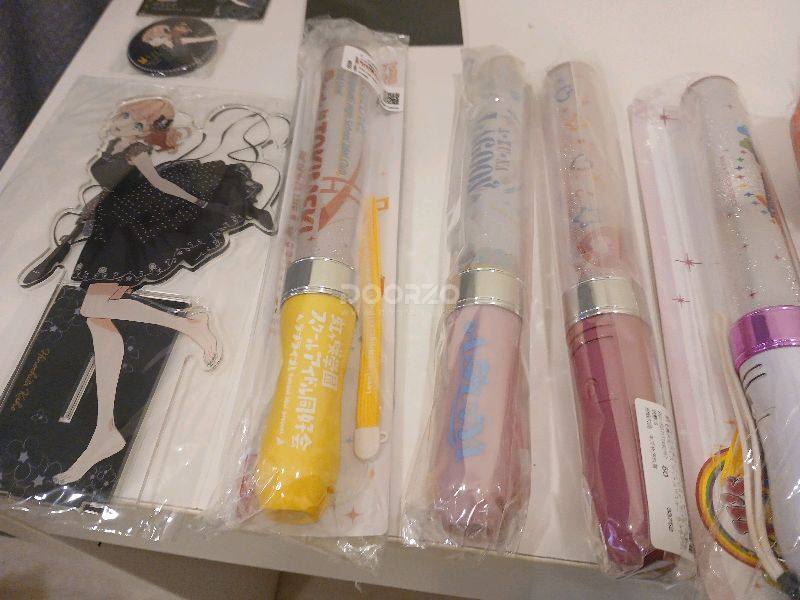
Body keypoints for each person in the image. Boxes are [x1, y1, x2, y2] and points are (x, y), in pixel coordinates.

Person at [54, 97, 266, 485]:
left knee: (93, 309)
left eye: (135, 121)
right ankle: (105, 431)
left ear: (144, 129)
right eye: (125, 115)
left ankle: (188, 325)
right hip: (110, 228)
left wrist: (199, 203)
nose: (125, 122)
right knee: (98, 320)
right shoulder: (109, 150)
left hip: (133, 229)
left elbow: (158, 183)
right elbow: (108, 189)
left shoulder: (136, 151)